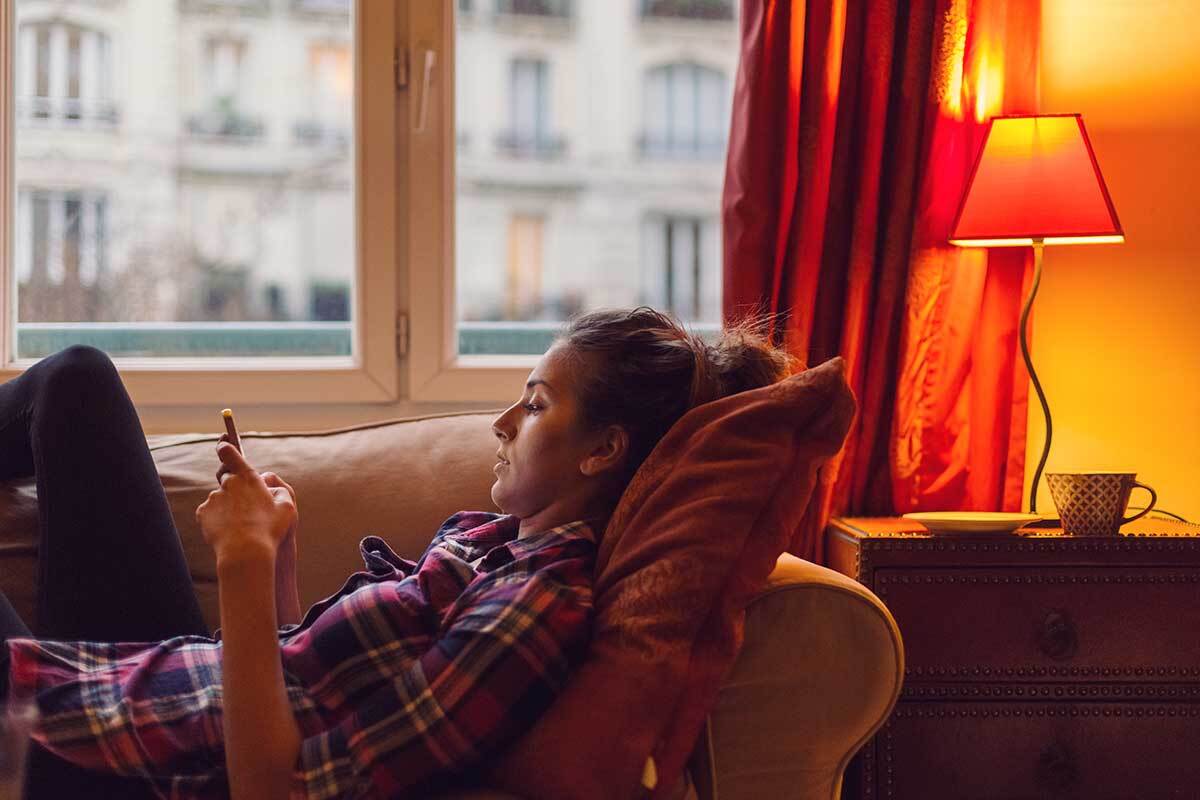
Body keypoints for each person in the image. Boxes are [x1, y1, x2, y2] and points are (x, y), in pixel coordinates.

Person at [0, 307, 794, 799]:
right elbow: (299, 686)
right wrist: (278, 549)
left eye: (538, 403)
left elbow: (274, 787)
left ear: (604, 450)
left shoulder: (534, 614)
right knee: (76, 379)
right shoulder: (491, 545)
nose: (503, 422)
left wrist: (240, 561)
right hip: (171, 689)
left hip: (134, 769)